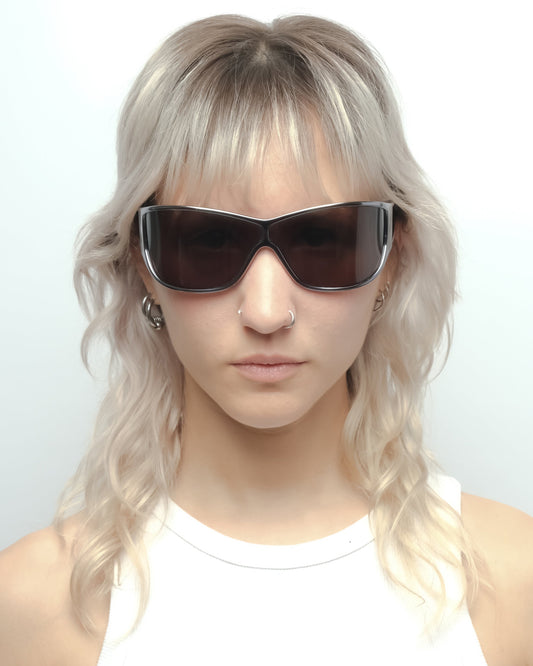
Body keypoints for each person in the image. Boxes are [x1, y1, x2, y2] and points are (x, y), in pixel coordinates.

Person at [0, 14, 531, 666]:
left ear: (392, 258)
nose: (267, 311)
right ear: (143, 264)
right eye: (207, 241)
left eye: (323, 239)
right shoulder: (31, 605)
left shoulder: (512, 582)